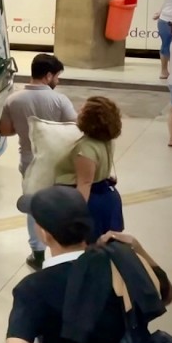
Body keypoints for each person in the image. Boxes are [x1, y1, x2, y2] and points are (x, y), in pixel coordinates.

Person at [5, 187, 172, 343]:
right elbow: (165, 294)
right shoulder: (122, 261)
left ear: (45, 233)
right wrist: (137, 249)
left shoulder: (35, 287)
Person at [0, 53, 78, 270]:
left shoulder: (13, 99)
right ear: (48, 75)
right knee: (58, 205)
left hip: (29, 163)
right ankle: (60, 249)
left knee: (34, 207)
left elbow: (5, 131)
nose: (58, 81)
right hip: (58, 162)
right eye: (57, 76)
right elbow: (75, 127)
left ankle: (37, 252)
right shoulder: (59, 100)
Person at [51, 96, 124, 243]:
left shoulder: (85, 149)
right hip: (107, 197)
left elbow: (85, 183)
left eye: (82, 109)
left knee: (90, 249)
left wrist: (74, 217)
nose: (79, 110)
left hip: (91, 204)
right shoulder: (107, 141)